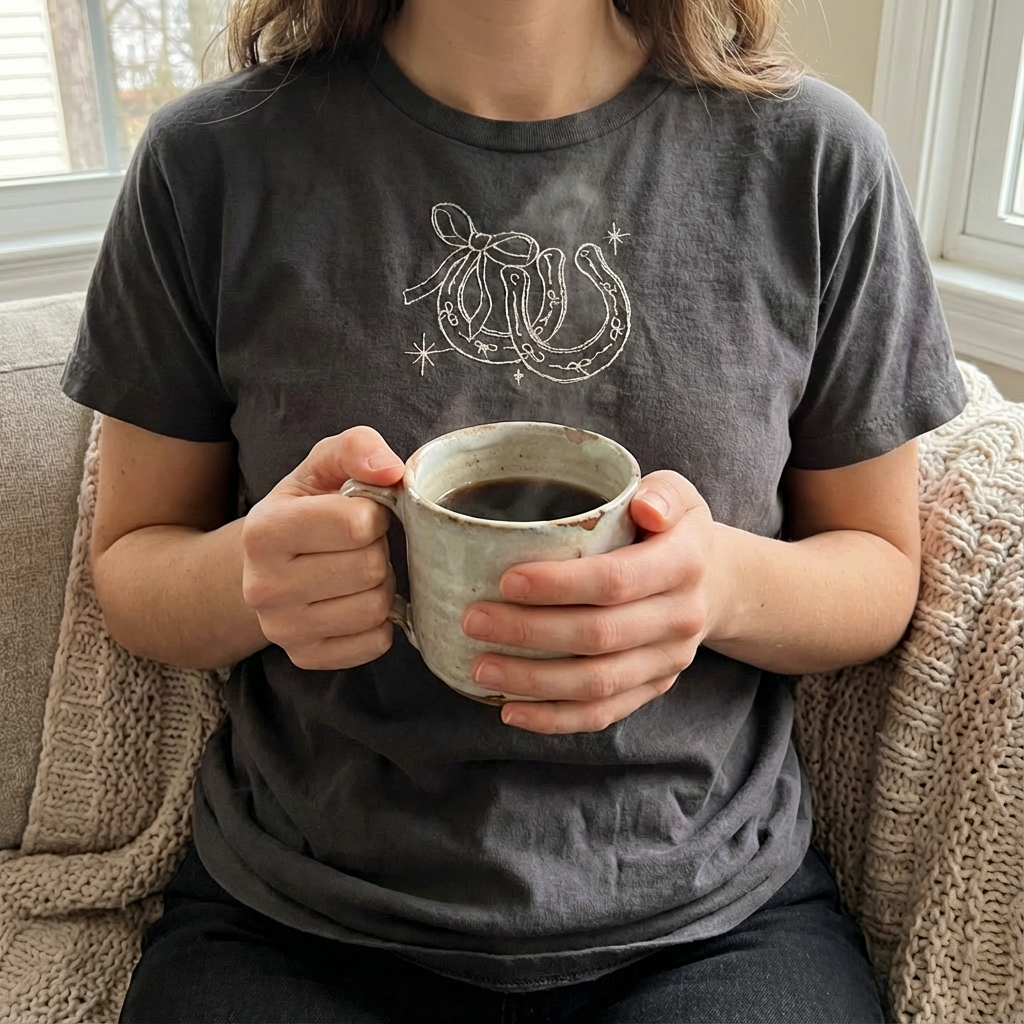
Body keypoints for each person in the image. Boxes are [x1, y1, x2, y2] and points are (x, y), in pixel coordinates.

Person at [60, 0, 967, 1020]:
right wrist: (248, 580)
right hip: (295, 918)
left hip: (708, 921)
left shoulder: (814, 162)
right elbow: (134, 566)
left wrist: (720, 585)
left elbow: (881, 566)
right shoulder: (207, 165)